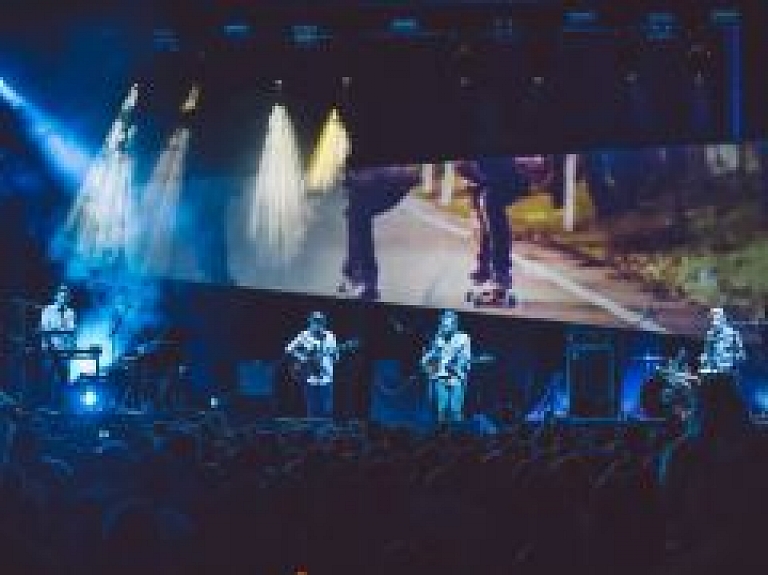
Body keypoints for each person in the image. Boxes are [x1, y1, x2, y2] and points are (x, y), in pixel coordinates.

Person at [420, 310, 472, 423]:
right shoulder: (439, 337)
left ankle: (457, 435)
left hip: (457, 378)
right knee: (441, 409)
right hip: (441, 377)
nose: (444, 328)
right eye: (443, 325)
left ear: (454, 325)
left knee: (455, 409)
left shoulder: (463, 337)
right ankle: (441, 434)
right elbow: (434, 352)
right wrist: (425, 359)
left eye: (447, 325)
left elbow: (466, 358)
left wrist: (457, 365)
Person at [285, 312, 339, 419]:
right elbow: (289, 349)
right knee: (312, 410)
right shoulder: (304, 335)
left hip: (327, 378)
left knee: (327, 410)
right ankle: (313, 433)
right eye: (315, 321)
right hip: (310, 378)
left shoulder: (330, 336)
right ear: (310, 322)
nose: (317, 324)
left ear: (324, 323)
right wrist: (302, 358)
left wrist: (333, 355)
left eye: (320, 322)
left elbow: (336, 358)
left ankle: (324, 433)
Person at [39, 284, 76, 407]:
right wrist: (59, 331)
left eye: (66, 297)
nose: (63, 298)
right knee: (48, 378)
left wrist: (71, 348)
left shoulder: (70, 312)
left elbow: (71, 330)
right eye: (61, 296)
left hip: (64, 350)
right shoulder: (47, 310)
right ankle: (47, 405)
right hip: (50, 350)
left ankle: (62, 406)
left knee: (64, 379)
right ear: (56, 296)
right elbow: (45, 328)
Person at [701, 307, 746, 376]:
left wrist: (732, 362)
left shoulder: (733, 334)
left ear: (722, 318)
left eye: (716, 317)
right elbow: (707, 352)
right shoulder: (710, 334)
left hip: (729, 372)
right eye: (712, 318)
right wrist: (705, 363)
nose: (713, 320)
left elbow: (741, 355)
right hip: (714, 373)